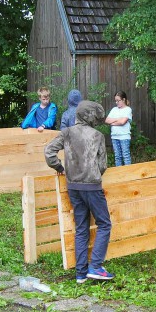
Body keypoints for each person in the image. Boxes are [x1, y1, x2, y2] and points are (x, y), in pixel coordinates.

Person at [44, 101, 114, 282]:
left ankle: (81, 273)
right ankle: (96, 266)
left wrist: (60, 167)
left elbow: (49, 152)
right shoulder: (97, 135)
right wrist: (95, 175)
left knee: (82, 228)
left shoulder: (66, 133)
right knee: (104, 224)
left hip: (73, 186)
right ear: (91, 116)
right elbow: (103, 165)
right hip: (92, 186)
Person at [106, 91, 132, 166]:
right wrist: (118, 119)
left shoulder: (128, 109)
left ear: (123, 100)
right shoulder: (114, 109)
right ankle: (119, 175)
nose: (116, 102)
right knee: (117, 157)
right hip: (114, 136)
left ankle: (128, 175)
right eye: (116, 101)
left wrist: (113, 122)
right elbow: (107, 120)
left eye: (118, 100)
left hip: (124, 137)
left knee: (126, 156)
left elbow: (122, 122)